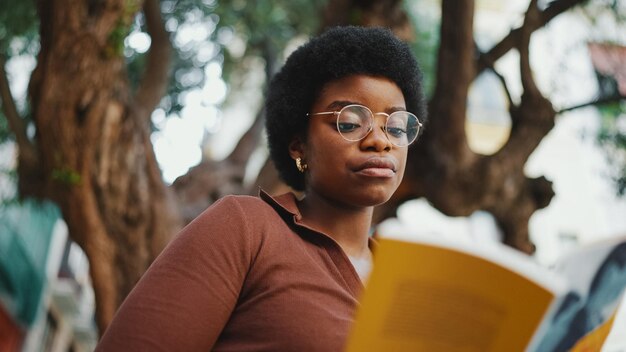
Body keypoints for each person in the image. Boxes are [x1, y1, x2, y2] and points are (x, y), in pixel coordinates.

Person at [96, 26, 426, 351]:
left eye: (396, 128)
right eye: (351, 123)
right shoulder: (246, 228)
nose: (380, 141)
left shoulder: (407, 286)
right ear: (299, 146)